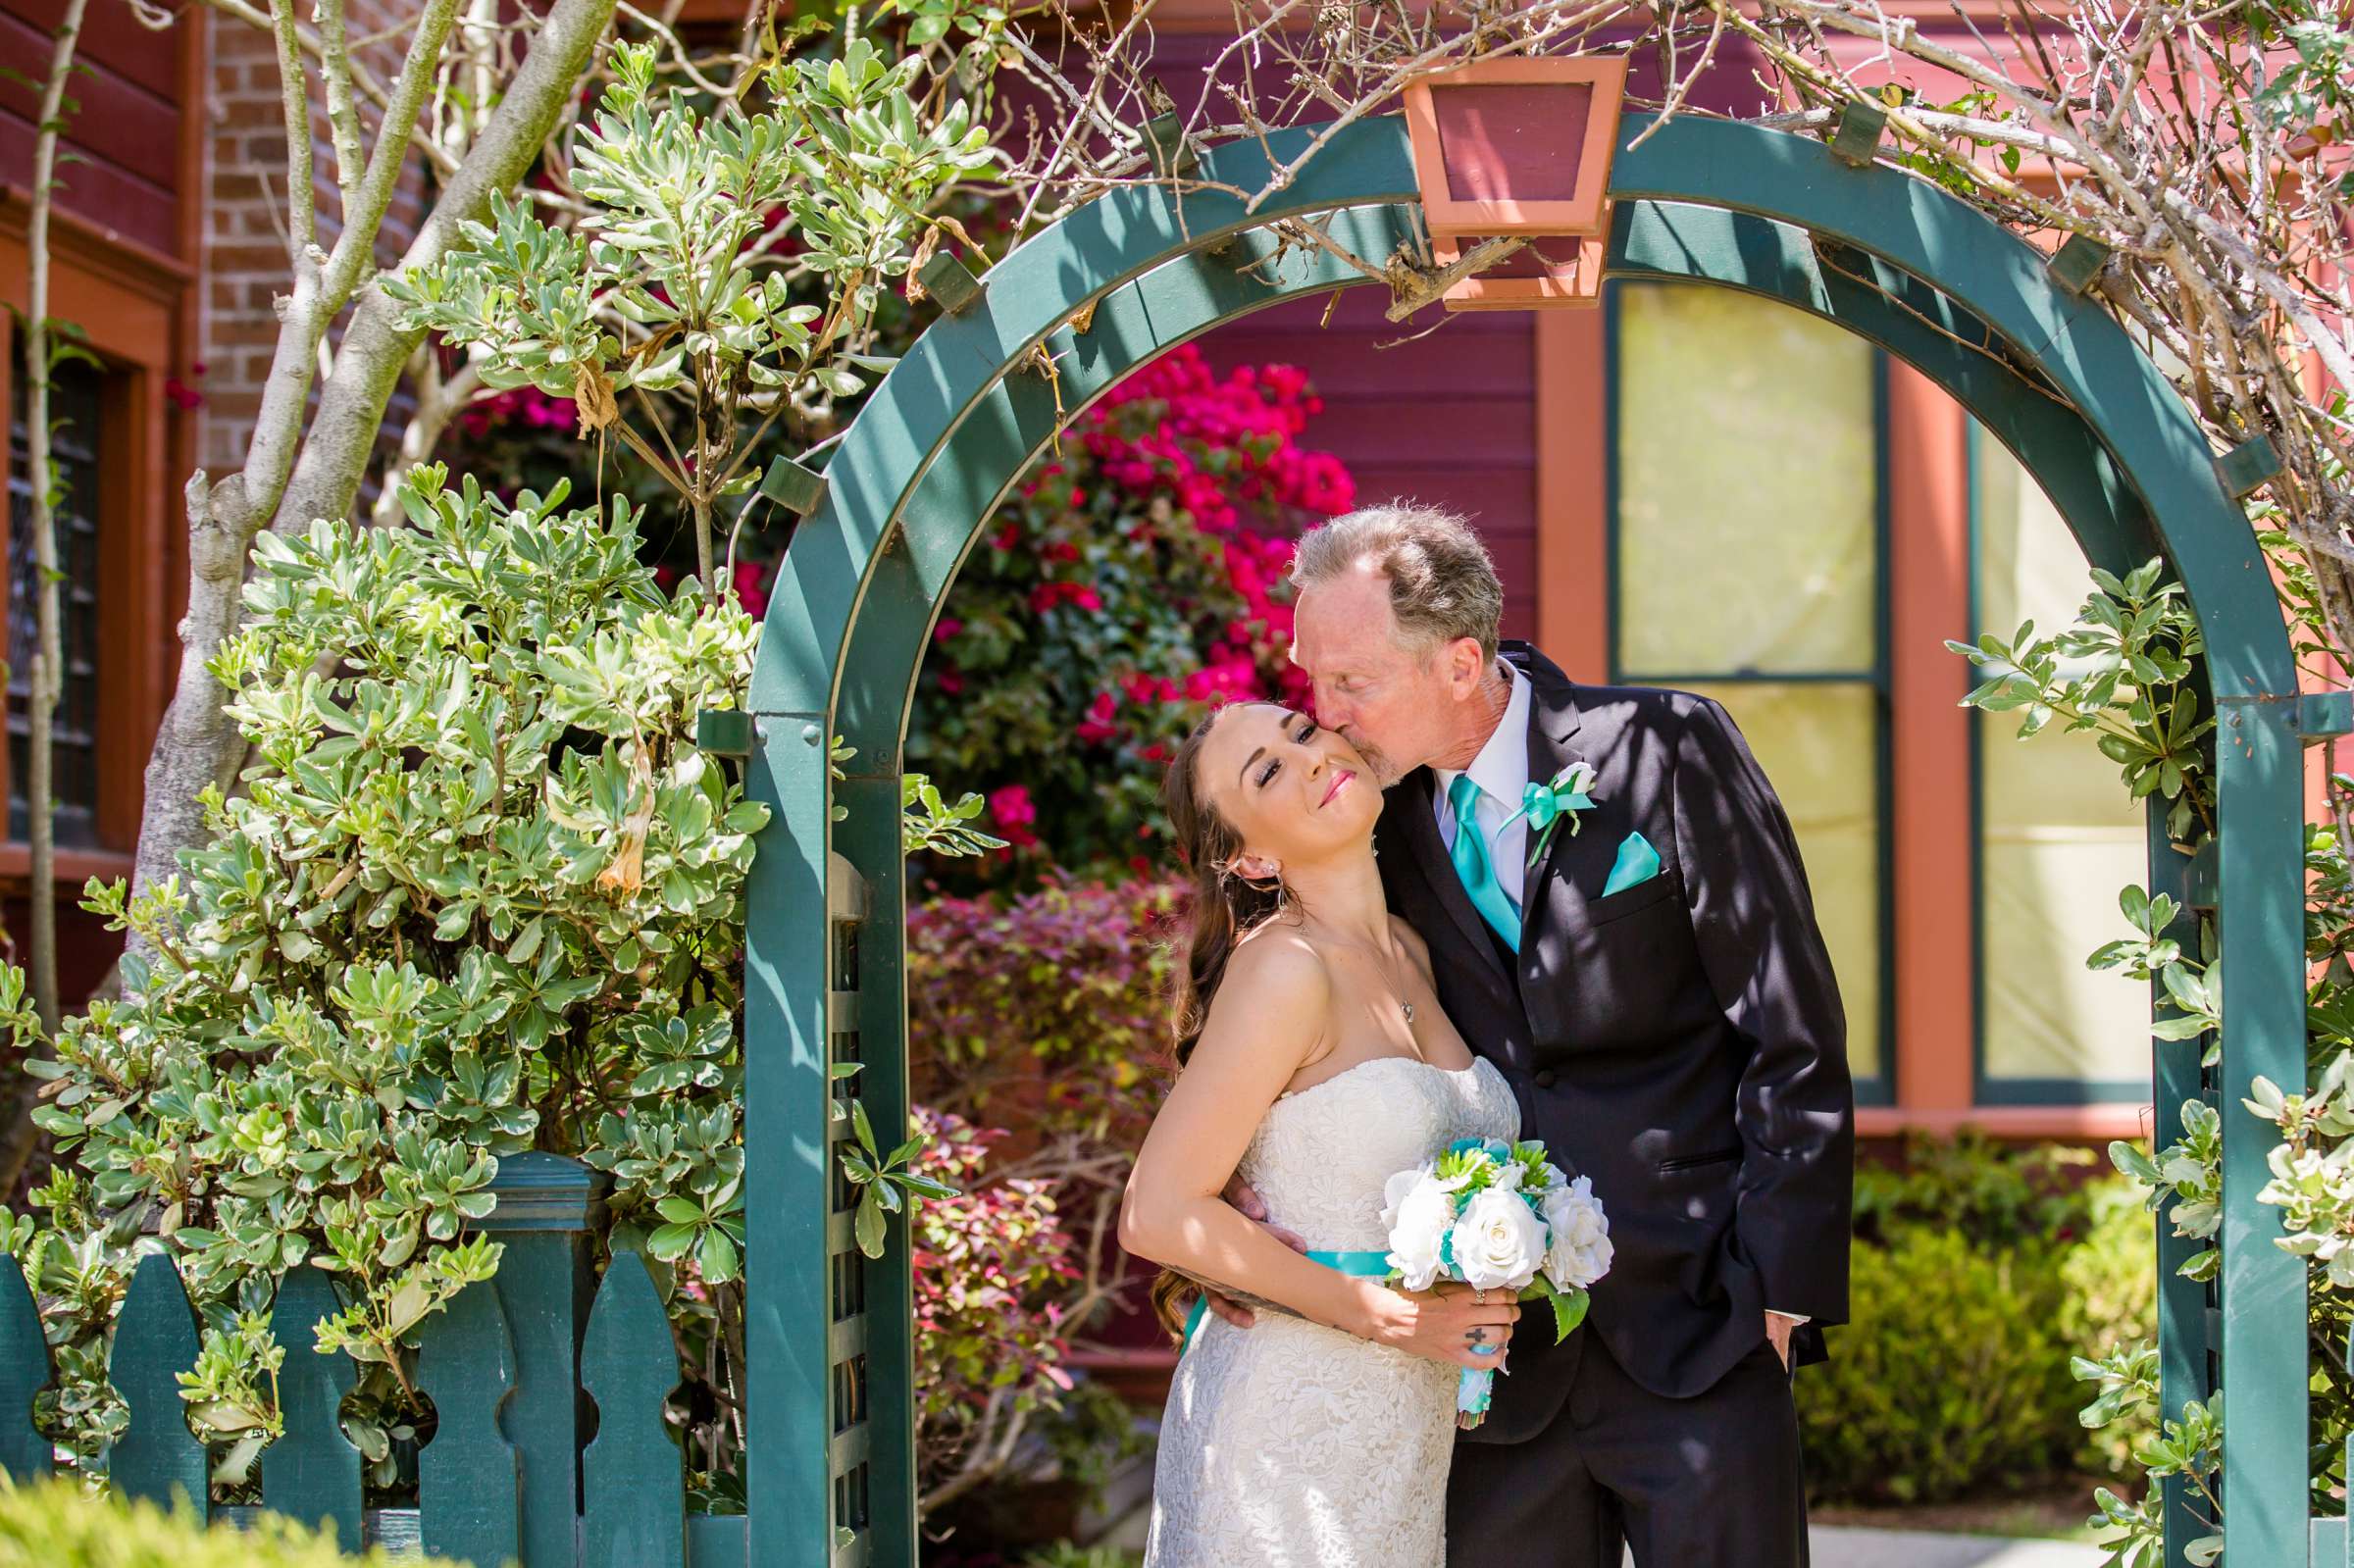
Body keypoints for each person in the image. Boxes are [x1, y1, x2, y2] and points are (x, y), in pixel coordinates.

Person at [1203, 502, 1855, 1568]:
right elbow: (1267, 1007)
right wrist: (1243, 1190)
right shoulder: (1369, 824)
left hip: (1701, 1326)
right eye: (1310, 679)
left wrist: (1782, 1294)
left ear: (1461, 665)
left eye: (1352, 683)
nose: (1324, 716)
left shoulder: (1668, 749)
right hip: (1490, 1372)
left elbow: (1791, 1031)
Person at [1118, 697, 1526, 1568]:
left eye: (1302, 732)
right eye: (1266, 770)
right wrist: (1387, 1316)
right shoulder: (1284, 968)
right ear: (1249, 857)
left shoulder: (1416, 947)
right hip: (1284, 1438)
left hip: (1402, 1444)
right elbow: (1154, 1210)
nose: (1306, 757)